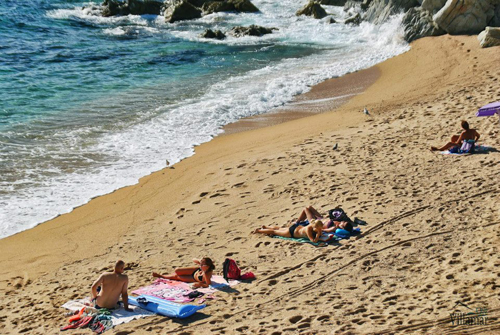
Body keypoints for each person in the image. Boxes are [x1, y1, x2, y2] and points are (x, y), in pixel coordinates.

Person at [254, 219, 324, 243]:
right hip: (292, 232)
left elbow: (320, 232)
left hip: (296, 228)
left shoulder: (312, 225)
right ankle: (259, 230)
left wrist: (319, 231)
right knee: (274, 232)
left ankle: (266, 227)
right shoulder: (308, 229)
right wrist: (317, 235)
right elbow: (313, 240)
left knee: (279, 228)